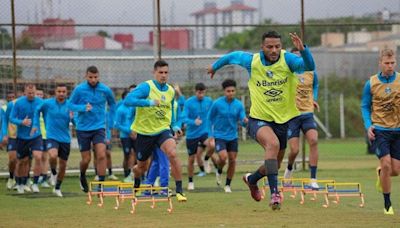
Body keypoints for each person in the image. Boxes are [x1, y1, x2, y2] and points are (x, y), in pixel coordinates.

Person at [207, 31, 315, 210]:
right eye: (269, 47)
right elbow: (233, 56)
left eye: (277, 47)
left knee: (274, 164)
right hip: (258, 119)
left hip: (282, 121)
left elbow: (309, 66)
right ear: (262, 47)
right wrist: (215, 66)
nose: (274, 50)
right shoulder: (252, 61)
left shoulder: (288, 60)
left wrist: (303, 50)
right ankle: (275, 194)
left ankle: (252, 179)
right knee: (272, 145)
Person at [124, 59, 187, 202]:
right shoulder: (147, 87)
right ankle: (136, 178)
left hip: (162, 130)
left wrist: (174, 125)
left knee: (172, 153)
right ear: (154, 73)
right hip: (144, 132)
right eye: (160, 72)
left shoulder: (171, 91)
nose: (163, 75)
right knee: (141, 167)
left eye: (166, 72)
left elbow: (170, 109)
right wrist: (148, 103)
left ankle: (179, 190)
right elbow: (128, 100)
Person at [361, 48, 400, 215]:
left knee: (395, 170)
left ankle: (380, 174)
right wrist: (368, 125)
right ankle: (387, 204)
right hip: (380, 130)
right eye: (387, 63)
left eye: (392, 63)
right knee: (385, 164)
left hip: (397, 130)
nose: (390, 66)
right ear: (380, 63)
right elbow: (364, 106)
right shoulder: (371, 83)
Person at [69, 66, 116, 192]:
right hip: (83, 128)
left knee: (101, 154)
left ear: (99, 76)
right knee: (86, 159)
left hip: (99, 127)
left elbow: (112, 104)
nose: (93, 80)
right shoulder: (79, 89)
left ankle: (101, 184)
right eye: (90, 77)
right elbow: (70, 104)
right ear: (86, 76)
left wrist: (111, 121)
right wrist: (82, 108)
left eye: (95, 77)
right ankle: (82, 175)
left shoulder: (105, 89)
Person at [282, 47, 320, 189]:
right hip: (292, 115)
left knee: (313, 140)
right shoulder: (287, 73)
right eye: (294, 56)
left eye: (299, 56)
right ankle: (289, 169)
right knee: (294, 150)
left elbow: (315, 85)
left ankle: (313, 179)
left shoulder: (310, 72)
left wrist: (314, 99)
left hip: (307, 113)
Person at [207, 79, 247, 193]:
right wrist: (210, 135)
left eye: (233, 91)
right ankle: (219, 170)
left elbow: (242, 120)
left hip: (233, 136)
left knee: (233, 160)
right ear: (224, 91)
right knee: (223, 157)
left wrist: (245, 121)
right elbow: (209, 119)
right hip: (219, 136)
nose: (231, 93)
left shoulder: (238, 105)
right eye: (228, 91)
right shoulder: (217, 104)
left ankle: (228, 185)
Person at [33, 84, 72, 197]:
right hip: (51, 136)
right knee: (53, 155)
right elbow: (36, 111)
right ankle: (53, 172)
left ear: (66, 93)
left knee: (63, 165)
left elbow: (75, 120)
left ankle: (57, 187)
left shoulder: (70, 105)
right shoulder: (47, 103)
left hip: (65, 138)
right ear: (55, 92)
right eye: (59, 91)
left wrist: (76, 121)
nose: (61, 93)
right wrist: (35, 124)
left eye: (63, 91)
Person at [10, 84, 44, 193]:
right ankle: (20, 183)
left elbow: (46, 113)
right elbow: (12, 118)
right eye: (29, 93)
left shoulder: (40, 102)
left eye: (33, 93)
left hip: (36, 135)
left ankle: (35, 183)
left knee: (38, 157)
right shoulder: (19, 103)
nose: (31, 95)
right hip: (22, 137)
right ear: (25, 93)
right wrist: (21, 122)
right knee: (22, 161)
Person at [182, 82, 215, 190]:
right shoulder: (189, 102)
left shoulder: (209, 101)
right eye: (199, 93)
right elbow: (183, 118)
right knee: (191, 159)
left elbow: (213, 114)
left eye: (203, 93)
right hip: (192, 135)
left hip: (204, 132)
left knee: (212, 145)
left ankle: (206, 160)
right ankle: (191, 182)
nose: (201, 95)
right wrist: (193, 121)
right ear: (195, 92)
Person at [114, 90, 136, 183]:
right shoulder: (120, 109)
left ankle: (133, 174)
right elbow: (117, 124)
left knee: (135, 153)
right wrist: (128, 131)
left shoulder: (134, 108)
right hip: (125, 136)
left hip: (135, 135)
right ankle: (126, 174)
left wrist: (135, 131)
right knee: (127, 154)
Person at [2, 92, 18, 190]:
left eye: (13, 97)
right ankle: (11, 178)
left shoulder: (26, 104)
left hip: (24, 137)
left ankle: (23, 180)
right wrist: (4, 134)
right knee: (12, 159)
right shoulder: (8, 106)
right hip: (12, 136)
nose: (11, 99)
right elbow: (4, 120)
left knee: (24, 160)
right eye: (9, 97)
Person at [35, 89, 51, 188]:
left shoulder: (46, 107)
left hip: (46, 136)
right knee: (37, 157)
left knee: (45, 158)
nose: (40, 96)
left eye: (41, 94)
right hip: (35, 137)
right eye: (38, 94)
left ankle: (44, 178)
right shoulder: (33, 107)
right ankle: (33, 178)